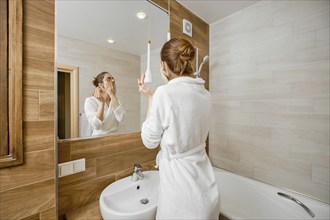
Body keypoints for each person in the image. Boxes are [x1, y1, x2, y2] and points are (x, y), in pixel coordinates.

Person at [138, 38, 220, 219]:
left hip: (181, 195)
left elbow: (149, 141)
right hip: (206, 188)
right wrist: (154, 95)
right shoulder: (205, 94)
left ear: (163, 65)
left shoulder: (164, 93)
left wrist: (151, 98)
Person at [84, 71, 125, 136]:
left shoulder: (116, 101)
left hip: (115, 138)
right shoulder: (90, 101)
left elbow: (121, 118)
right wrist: (101, 103)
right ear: (101, 85)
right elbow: (96, 125)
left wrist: (112, 95)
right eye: (108, 79)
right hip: (99, 139)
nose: (113, 80)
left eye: (113, 78)